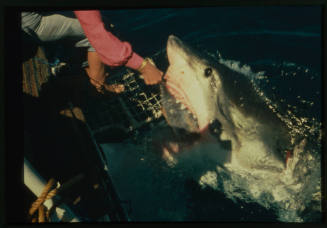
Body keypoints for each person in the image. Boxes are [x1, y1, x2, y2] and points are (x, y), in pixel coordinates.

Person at [21, 10, 163, 95]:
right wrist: (144, 67)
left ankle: (75, 68)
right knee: (100, 31)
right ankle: (98, 87)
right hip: (26, 23)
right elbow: (99, 36)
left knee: (94, 22)